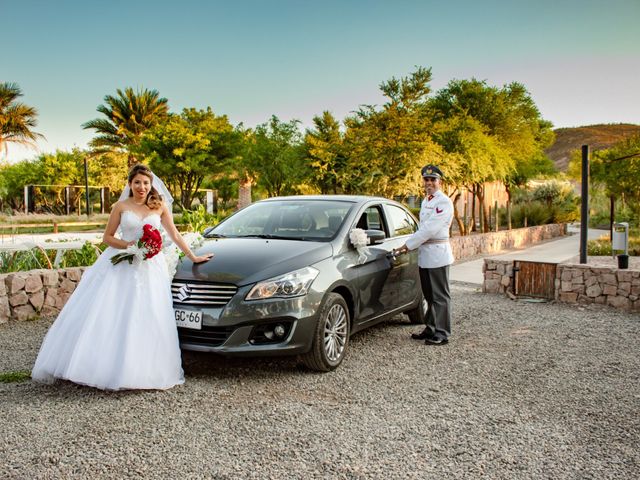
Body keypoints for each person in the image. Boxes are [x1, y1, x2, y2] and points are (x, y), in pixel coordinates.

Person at [31, 164, 213, 390]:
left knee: (148, 314)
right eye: (137, 182)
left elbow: (174, 234)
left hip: (150, 268)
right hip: (121, 264)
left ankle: (143, 370)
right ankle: (100, 366)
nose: (142, 187)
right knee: (113, 312)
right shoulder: (120, 206)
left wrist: (193, 257)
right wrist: (129, 246)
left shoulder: (159, 207)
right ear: (129, 184)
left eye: (146, 183)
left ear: (151, 185)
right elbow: (107, 237)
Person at [395, 164, 454, 345]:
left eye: (432, 179)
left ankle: (442, 333)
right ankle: (431, 328)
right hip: (426, 255)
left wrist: (408, 245)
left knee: (440, 296)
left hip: (438, 255)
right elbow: (422, 228)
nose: (429, 182)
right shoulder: (427, 200)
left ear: (439, 181)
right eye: (426, 179)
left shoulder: (443, 202)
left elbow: (429, 229)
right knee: (429, 296)